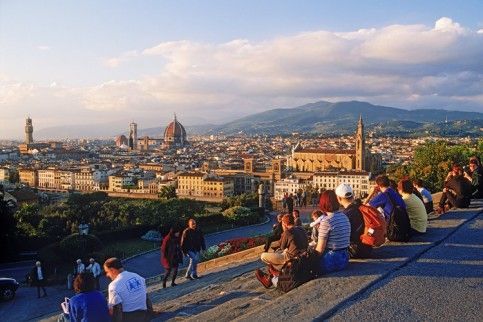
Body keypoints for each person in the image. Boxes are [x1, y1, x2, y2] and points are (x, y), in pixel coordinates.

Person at [255, 214, 308, 288]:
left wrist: (284, 231)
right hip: (302, 254)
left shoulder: (287, 232)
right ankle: (275, 273)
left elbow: (282, 246)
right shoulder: (301, 229)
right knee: (284, 251)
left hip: (290, 257)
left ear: (285, 224)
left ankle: (274, 275)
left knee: (263, 256)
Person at [315, 190, 351, 274]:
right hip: (344, 258)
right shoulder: (344, 217)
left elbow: (320, 249)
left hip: (330, 260)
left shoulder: (327, 221)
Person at [103, 257, 148, 322]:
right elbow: (147, 299)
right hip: (144, 314)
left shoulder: (113, 285)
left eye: (107, 272)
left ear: (112, 270)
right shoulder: (137, 276)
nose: (107, 275)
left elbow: (117, 309)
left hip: (129, 317)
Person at [335, 183, 372, 259]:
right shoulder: (361, 208)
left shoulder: (345, 215)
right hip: (367, 248)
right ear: (353, 195)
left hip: (354, 251)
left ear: (338, 198)